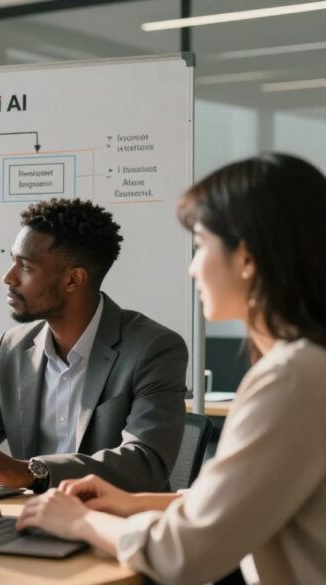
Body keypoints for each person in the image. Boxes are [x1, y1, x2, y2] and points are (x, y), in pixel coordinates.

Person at [17, 153, 326, 585]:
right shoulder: (310, 366)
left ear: (247, 258)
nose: (192, 267)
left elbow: (184, 553)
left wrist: (79, 522)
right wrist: (132, 502)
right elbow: (232, 504)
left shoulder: (292, 378)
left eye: (200, 245)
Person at [0, 198, 188, 493]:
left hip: (114, 526)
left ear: (73, 279)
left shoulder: (153, 349)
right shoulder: (13, 348)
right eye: (12, 261)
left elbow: (145, 463)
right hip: (31, 519)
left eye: (26, 266)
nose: (9, 277)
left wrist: (31, 472)